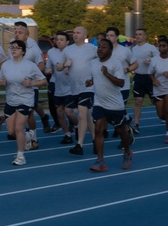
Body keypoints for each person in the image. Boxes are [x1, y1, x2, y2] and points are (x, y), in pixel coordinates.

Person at [86, 38, 133, 171]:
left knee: (121, 131)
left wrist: (106, 73)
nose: (100, 49)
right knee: (98, 130)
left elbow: (121, 83)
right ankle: (100, 160)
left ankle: (127, 152)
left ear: (110, 50)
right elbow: (94, 78)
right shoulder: (93, 63)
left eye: (104, 47)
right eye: (99, 47)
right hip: (99, 102)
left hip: (115, 104)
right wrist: (90, 82)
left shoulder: (115, 64)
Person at [0, 39, 47, 166]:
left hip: (25, 100)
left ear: (23, 51)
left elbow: (43, 81)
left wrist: (31, 83)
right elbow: (0, 80)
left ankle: (20, 156)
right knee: (11, 132)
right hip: (11, 100)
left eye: (17, 47)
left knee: (19, 127)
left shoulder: (30, 66)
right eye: (11, 47)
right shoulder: (6, 65)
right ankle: (27, 137)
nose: (13, 49)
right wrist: (1, 83)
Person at [13, 21, 51, 135]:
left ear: (26, 33)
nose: (16, 33)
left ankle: (32, 135)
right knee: (24, 108)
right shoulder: (12, 44)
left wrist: (31, 75)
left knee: (29, 110)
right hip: (17, 84)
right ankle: (41, 119)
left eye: (19, 31)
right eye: (15, 30)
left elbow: (41, 64)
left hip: (31, 84)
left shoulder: (32, 46)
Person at [65, 26, 98, 155]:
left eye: (78, 33)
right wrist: (64, 66)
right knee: (87, 116)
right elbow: (60, 66)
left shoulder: (92, 49)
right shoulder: (68, 50)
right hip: (74, 88)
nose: (75, 35)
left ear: (85, 35)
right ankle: (96, 140)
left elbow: (102, 60)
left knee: (82, 114)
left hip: (88, 87)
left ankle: (79, 145)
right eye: (74, 33)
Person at [46, 31, 74, 144]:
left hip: (71, 86)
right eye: (57, 39)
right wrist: (49, 71)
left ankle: (76, 124)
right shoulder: (51, 52)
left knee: (69, 112)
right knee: (59, 112)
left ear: (67, 42)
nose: (59, 41)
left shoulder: (72, 51)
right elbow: (47, 67)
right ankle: (67, 134)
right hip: (58, 85)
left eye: (62, 40)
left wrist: (67, 66)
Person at [130, 28, 158, 131]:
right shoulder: (134, 49)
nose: (138, 36)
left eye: (140, 34)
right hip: (138, 77)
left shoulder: (151, 48)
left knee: (154, 101)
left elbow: (159, 60)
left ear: (145, 36)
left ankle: (167, 116)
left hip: (149, 78)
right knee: (138, 101)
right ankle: (136, 124)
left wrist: (150, 62)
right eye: (136, 34)